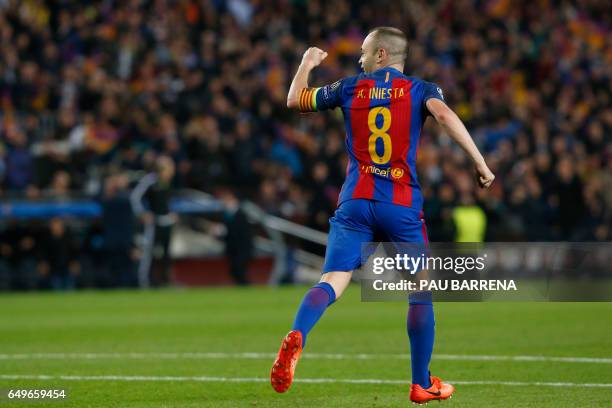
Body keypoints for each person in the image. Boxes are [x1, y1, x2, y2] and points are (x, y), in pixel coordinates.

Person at [270, 27, 495, 404]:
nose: (359, 58)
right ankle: (421, 383)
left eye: (364, 51)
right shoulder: (422, 89)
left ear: (381, 56)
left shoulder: (348, 87)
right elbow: (444, 115)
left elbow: (295, 99)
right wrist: (480, 163)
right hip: (401, 205)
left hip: (355, 202)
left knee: (333, 280)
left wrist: (307, 62)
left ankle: (298, 334)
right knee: (420, 291)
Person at [130, 156, 177, 287]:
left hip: (167, 221)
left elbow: (168, 201)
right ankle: (144, 282)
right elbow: (135, 197)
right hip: (154, 223)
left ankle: (165, 281)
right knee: (148, 253)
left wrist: (171, 212)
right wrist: (141, 213)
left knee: (166, 254)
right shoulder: (150, 180)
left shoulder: (168, 183)